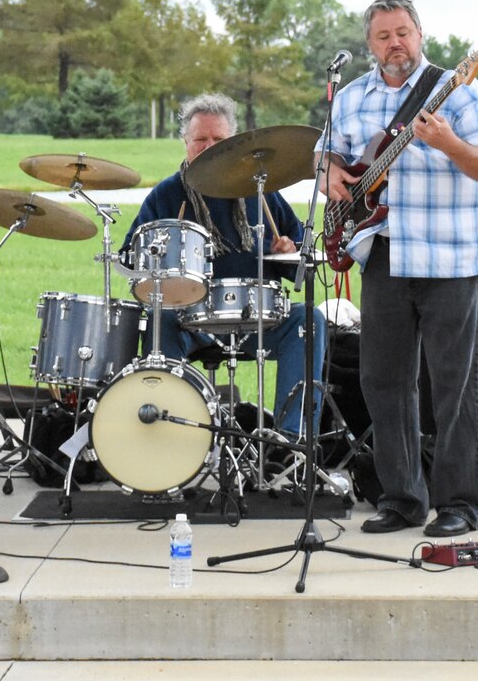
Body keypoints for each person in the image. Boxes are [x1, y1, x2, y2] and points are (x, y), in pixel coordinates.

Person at [320, 0, 478, 539]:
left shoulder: (460, 89)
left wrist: (446, 142)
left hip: (451, 256)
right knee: (384, 381)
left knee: (455, 385)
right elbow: (325, 152)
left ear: (419, 35)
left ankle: (459, 504)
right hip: (384, 253)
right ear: (371, 44)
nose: (394, 43)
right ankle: (402, 499)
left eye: (403, 32)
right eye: (383, 36)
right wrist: (330, 172)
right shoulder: (353, 98)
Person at [122, 93, 326, 437]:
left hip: (255, 317)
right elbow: (131, 254)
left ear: (232, 143)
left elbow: (300, 263)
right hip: (189, 320)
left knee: (309, 320)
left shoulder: (261, 190)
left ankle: (292, 440)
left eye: (218, 140)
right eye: (200, 139)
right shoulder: (167, 194)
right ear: (186, 142)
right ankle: (171, 436)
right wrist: (156, 259)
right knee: (159, 319)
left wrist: (286, 248)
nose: (209, 147)